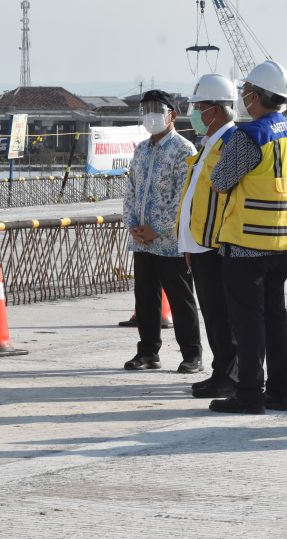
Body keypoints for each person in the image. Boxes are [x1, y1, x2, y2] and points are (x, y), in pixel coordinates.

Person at [208, 60, 287, 414]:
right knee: (275, 317)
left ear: (255, 96)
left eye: (247, 90)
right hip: (284, 241)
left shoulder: (251, 135)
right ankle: (280, 391)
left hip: (248, 242)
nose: (244, 96)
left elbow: (220, 181)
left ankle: (249, 393)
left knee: (248, 323)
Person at [122, 89, 202, 372]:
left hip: (170, 241)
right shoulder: (141, 149)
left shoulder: (184, 150)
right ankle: (147, 352)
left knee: (181, 299)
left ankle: (192, 354)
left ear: (172, 115)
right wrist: (131, 224)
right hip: (141, 241)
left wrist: (158, 229)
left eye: (157, 109)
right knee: (145, 298)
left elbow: (184, 197)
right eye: (146, 109)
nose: (150, 115)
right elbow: (131, 189)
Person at [177, 74, 238, 398]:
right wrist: (189, 242)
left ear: (215, 109)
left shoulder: (232, 143)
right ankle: (221, 371)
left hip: (217, 245)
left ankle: (230, 375)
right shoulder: (209, 144)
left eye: (200, 107)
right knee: (213, 314)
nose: (196, 114)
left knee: (222, 315)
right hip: (201, 244)